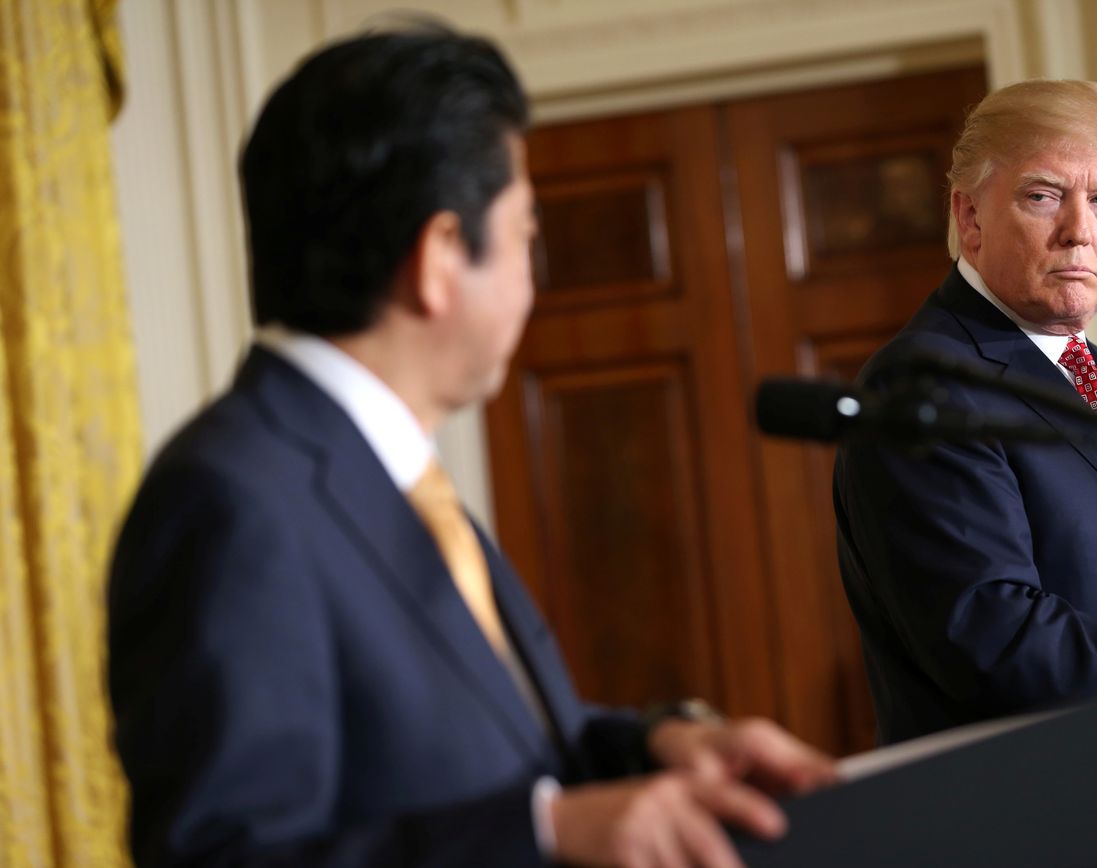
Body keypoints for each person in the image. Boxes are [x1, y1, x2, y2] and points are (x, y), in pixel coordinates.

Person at [108, 22, 834, 868]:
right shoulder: (230, 498)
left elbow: (491, 740)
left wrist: (662, 744)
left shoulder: (392, 470)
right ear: (442, 256)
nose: (532, 278)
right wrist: (546, 836)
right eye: (526, 236)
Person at [833, 79, 1097, 746]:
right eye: (1043, 197)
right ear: (970, 216)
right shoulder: (926, 384)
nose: (1078, 232)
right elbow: (992, 633)